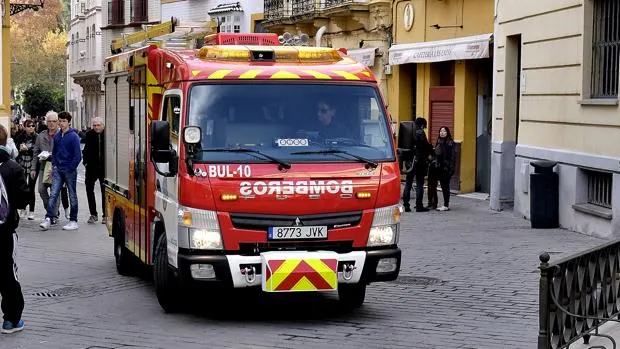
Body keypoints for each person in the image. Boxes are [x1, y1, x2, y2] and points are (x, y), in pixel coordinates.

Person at [0, 124, 29, 334]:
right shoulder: (13, 167)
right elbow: (21, 200)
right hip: (4, 230)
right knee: (7, 272)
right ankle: (11, 319)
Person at [39, 111, 82, 231]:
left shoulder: (73, 137)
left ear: (69, 122)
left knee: (72, 195)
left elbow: (78, 156)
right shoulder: (58, 136)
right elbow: (56, 152)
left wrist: (70, 168)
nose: (61, 123)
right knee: (53, 193)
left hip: (69, 170)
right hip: (58, 170)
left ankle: (73, 220)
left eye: (64, 121)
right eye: (60, 121)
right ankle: (49, 218)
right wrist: (54, 164)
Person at [32, 111, 70, 224]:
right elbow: (35, 152)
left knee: (55, 192)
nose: (52, 124)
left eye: (54, 121)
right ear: (46, 122)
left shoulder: (62, 135)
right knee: (41, 190)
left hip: (57, 168)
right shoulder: (41, 135)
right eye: (49, 121)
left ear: (58, 122)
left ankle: (51, 215)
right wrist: (33, 168)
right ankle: (52, 211)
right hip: (44, 167)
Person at [402, 117, 433, 212]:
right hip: (419, 161)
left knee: (408, 183)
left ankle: (406, 206)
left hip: (409, 161)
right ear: (423, 125)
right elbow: (425, 146)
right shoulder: (420, 132)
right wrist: (431, 150)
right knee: (420, 183)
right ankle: (419, 205)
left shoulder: (408, 131)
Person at [82, 117, 106, 224]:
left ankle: (106, 215)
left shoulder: (107, 134)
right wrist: (86, 162)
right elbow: (86, 149)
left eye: (98, 125)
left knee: (104, 191)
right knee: (89, 189)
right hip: (91, 167)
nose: (96, 127)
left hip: (105, 167)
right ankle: (93, 214)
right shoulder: (89, 134)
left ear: (103, 125)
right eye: (94, 125)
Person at [427, 126, 456, 211]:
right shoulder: (439, 141)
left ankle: (446, 205)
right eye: (441, 131)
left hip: (445, 168)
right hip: (437, 167)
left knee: (445, 186)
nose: (442, 132)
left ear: (447, 133)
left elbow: (452, 157)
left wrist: (450, 168)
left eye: (444, 131)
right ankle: (433, 203)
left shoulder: (450, 142)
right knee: (432, 184)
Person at [15, 119, 38, 220]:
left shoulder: (37, 137)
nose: (31, 128)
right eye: (29, 126)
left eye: (33, 126)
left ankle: (31, 210)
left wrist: (28, 150)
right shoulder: (20, 136)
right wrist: (20, 149)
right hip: (22, 163)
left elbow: (37, 151)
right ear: (24, 127)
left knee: (31, 187)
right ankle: (23, 208)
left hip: (33, 164)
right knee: (22, 186)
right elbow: (15, 149)